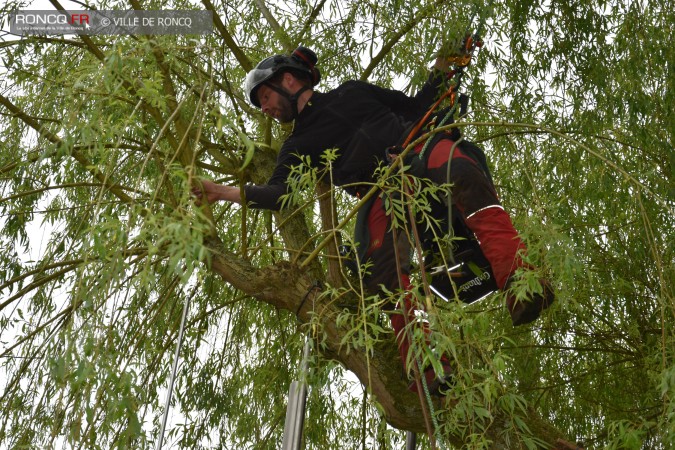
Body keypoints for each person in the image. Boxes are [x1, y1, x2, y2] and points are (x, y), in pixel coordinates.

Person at [194, 46, 555, 396]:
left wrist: (444, 69)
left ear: (287, 80)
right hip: (380, 192)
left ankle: (522, 284)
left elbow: (416, 106)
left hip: (416, 149)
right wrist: (219, 191)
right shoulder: (297, 144)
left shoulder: (353, 91)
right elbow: (278, 195)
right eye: (259, 105)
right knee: (380, 267)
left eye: (264, 98)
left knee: (463, 173)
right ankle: (426, 360)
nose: (265, 109)